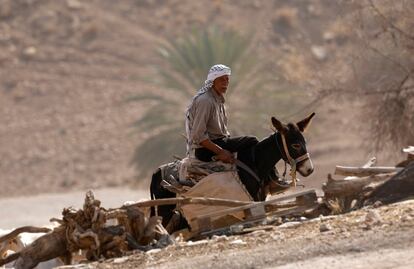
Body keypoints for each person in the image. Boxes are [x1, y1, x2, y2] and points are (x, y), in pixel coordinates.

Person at [185, 64, 258, 163]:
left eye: (227, 79)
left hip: (220, 142)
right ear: (212, 82)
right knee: (251, 141)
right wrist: (221, 152)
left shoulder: (218, 100)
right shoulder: (206, 101)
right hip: (205, 150)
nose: (225, 83)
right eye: (221, 80)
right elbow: (198, 135)